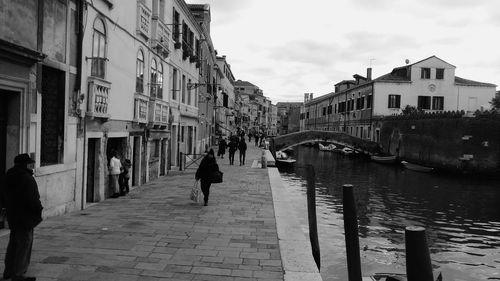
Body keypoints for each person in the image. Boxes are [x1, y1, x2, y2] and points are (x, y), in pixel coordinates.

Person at [3, 153, 43, 281]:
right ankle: (18, 274)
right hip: (26, 218)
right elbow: (33, 199)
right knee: (24, 245)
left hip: (13, 216)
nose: (31, 166)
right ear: (24, 164)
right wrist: (39, 210)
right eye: (29, 163)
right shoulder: (26, 178)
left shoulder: (9, 176)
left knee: (13, 244)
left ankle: (8, 271)